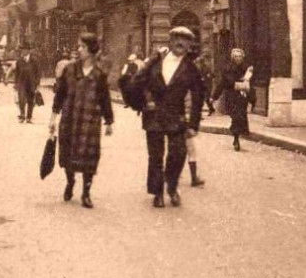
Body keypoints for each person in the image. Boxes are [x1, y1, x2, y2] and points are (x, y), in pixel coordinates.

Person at [119, 25, 204, 209]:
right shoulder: (156, 62)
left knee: (178, 154)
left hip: (177, 117)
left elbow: (198, 96)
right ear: (170, 40)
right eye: (177, 38)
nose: (180, 42)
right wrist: (141, 103)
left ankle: (172, 187)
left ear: (190, 44)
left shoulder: (191, 68)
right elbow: (139, 83)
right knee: (155, 156)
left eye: (185, 39)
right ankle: (157, 193)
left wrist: (193, 124)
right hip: (155, 115)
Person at [49, 33, 114, 209]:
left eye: (82, 47)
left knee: (89, 156)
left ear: (91, 50)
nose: (78, 50)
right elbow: (60, 94)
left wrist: (109, 121)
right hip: (70, 119)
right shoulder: (69, 70)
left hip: (90, 120)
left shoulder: (99, 75)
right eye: (78, 46)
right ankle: (70, 181)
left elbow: (105, 99)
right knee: (68, 153)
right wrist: (53, 118)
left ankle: (86, 192)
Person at [211, 47, 255, 151]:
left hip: (242, 96)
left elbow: (251, 84)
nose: (238, 58)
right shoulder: (228, 68)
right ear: (232, 57)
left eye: (240, 56)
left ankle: (236, 137)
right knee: (235, 116)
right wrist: (214, 96)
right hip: (231, 96)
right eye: (236, 56)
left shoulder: (247, 68)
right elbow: (222, 83)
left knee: (240, 116)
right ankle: (236, 138)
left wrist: (252, 100)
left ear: (243, 57)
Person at [14, 44, 40, 123]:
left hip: (31, 83)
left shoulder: (34, 61)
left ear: (29, 51)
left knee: (30, 101)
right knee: (21, 100)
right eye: (22, 50)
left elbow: (37, 73)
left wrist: (37, 83)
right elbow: (17, 73)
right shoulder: (19, 61)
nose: (23, 51)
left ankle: (29, 117)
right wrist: (16, 83)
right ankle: (22, 115)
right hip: (22, 83)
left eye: (25, 50)